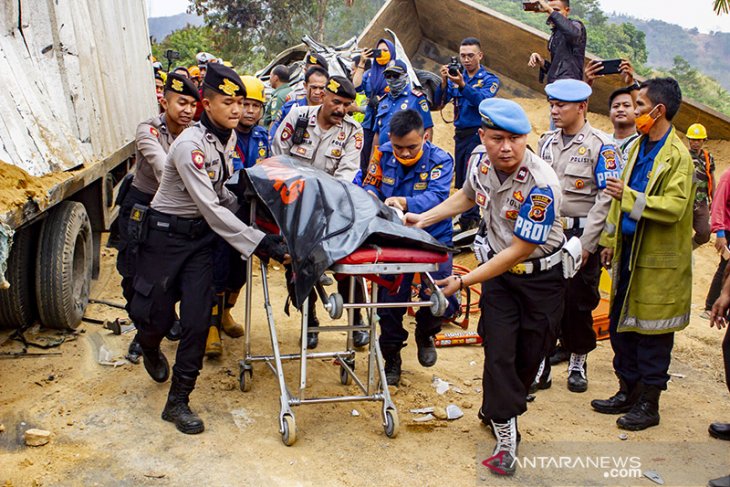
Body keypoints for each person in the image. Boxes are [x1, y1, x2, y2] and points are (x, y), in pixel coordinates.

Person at [405, 98, 566, 476]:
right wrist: (422, 219)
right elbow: (466, 196)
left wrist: (460, 280)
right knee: (498, 350)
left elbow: (519, 251)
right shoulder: (478, 158)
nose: (506, 148)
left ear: (527, 139)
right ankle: (505, 433)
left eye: (515, 139)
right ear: (483, 136)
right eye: (497, 138)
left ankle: (500, 405)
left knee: (531, 355)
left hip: (541, 278)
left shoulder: (542, 185)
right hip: (499, 281)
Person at [129, 63, 289, 434]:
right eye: (228, 102)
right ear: (207, 104)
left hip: (199, 241)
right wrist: (261, 242)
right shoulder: (189, 146)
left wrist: (267, 219)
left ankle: (178, 401)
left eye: (240, 102)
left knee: (199, 321)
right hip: (164, 239)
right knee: (155, 317)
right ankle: (149, 345)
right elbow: (211, 207)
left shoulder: (225, 139)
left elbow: (222, 197)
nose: (237, 110)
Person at [592, 78, 692, 432]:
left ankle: (649, 404)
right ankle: (627, 391)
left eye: (639, 106)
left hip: (657, 260)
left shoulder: (677, 157)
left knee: (652, 333)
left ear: (658, 110)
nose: (633, 112)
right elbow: (619, 205)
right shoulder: (636, 147)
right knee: (622, 325)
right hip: (628, 250)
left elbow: (675, 207)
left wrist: (630, 197)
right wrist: (607, 239)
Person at [534, 79, 621, 394]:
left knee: (579, 302)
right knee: (545, 299)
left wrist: (588, 243)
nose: (554, 110)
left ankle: (577, 361)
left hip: (582, 232)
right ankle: (542, 364)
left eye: (561, 105)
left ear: (582, 107)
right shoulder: (546, 142)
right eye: (552, 104)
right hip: (550, 233)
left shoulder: (602, 145)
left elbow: (607, 198)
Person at [362, 109, 457, 386]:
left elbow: (438, 196)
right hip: (392, 239)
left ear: (425, 137)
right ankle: (391, 355)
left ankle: (427, 331)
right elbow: (370, 184)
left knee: (441, 296)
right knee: (390, 302)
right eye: (399, 147)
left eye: (412, 147)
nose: (404, 154)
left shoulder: (440, 159)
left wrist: (403, 202)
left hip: (432, 238)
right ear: (389, 138)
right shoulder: (382, 154)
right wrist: (370, 196)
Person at [272, 76, 367, 349]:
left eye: (347, 105)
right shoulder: (298, 117)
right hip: (292, 204)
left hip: (331, 206)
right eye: (336, 101)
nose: (340, 109)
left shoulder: (353, 131)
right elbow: (279, 158)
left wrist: (324, 203)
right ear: (323, 95)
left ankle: (357, 319)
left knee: (348, 264)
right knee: (298, 264)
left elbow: (346, 175)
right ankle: (309, 319)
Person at [118, 73, 199, 361]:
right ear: (165, 102)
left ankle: (165, 317)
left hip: (173, 211)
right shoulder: (148, 130)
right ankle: (143, 334)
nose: (188, 110)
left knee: (169, 274)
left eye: (192, 104)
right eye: (181, 102)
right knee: (133, 274)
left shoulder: (196, 133)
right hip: (142, 207)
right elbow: (164, 169)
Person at [204, 75, 271, 358]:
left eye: (256, 106)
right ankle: (210, 326)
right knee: (216, 271)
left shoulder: (262, 136)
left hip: (249, 213)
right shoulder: (225, 136)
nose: (250, 111)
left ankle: (227, 314)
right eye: (245, 105)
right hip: (223, 212)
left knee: (240, 271)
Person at [433, 37, 500, 233]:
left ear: (480, 56)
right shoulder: (456, 76)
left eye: (470, 55)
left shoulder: (489, 80)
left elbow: (484, 102)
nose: (466, 60)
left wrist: (463, 85)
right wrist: (445, 81)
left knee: (477, 175)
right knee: (463, 177)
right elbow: (438, 103)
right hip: (460, 134)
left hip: (478, 134)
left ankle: (474, 219)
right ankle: (468, 218)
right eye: (463, 56)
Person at [353, 38, 396, 173]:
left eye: (385, 51)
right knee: (364, 156)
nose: (382, 54)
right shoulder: (370, 73)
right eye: (379, 50)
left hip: (386, 122)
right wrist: (362, 62)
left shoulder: (395, 72)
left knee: (380, 155)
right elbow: (356, 86)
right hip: (369, 120)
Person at [374, 60, 433, 146]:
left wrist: (425, 154)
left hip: (407, 154)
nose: (392, 79)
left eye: (396, 75)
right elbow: (377, 133)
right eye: (388, 76)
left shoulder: (417, 99)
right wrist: (373, 158)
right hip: (385, 154)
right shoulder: (383, 101)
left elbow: (427, 128)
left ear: (405, 76)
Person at [527, 0, 586, 84]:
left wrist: (550, 10)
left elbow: (574, 34)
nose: (551, 14)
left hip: (570, 88)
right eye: (547, 11)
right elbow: (556, 71)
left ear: (567, 10)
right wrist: (541, 61)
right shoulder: (556, 33)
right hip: (554, 88)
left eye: (556, 10)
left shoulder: (576, 25)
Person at [269, 66, 328, 141]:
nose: (317, 92)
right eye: (314, 87)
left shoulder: (330, 114)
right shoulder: (290, 109)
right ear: (305, 86)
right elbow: (274, 136)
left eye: (321, 88)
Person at [704, 169, 730, 322]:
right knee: (725, 266)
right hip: (727, 230)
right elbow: (718, 205)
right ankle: (709, 305)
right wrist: (719, 233)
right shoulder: (727, 176)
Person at [686, 123, 716, 248]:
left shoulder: (708, 158)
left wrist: (714, 200)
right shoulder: (683, 155)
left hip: (701, 201)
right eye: (692, 140)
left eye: (698, 140)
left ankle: (688, 250)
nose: (695, 143)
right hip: (685, 200)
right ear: (688, 140)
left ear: (703, 140)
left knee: (705, 233)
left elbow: (712, 179)